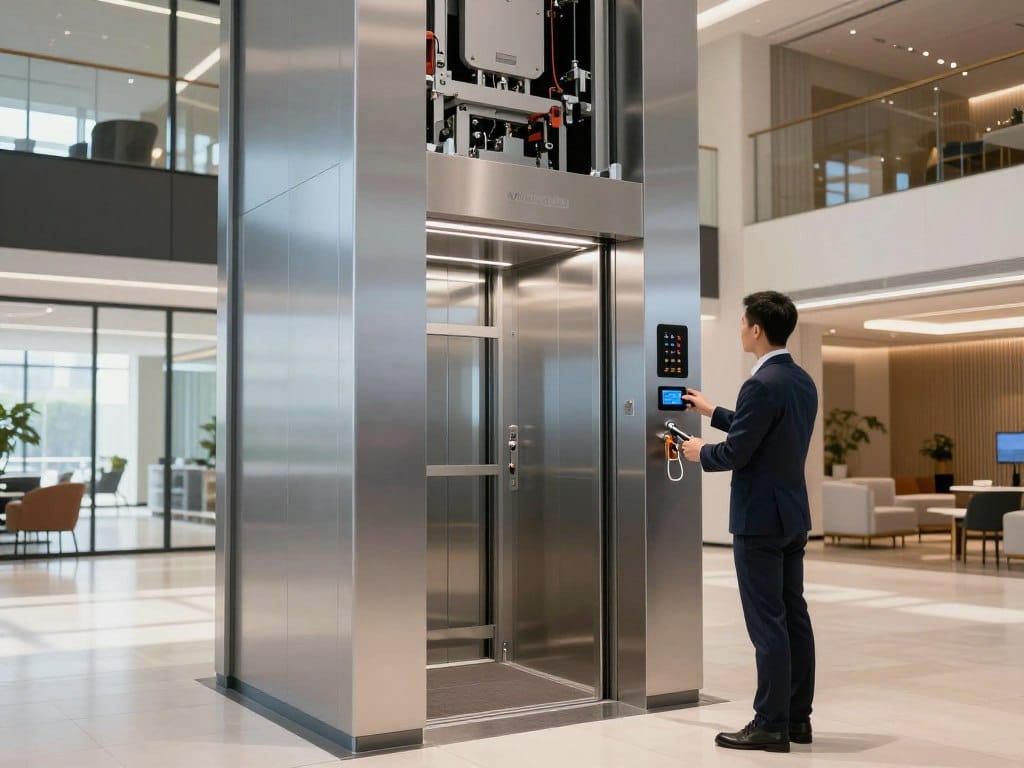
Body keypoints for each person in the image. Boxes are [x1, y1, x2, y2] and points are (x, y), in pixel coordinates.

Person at [681, 291, 818, 754]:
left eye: (742, 321)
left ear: (756, 329)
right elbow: (765, 431)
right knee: (793, 615)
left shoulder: (760, 384)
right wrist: (712, 411)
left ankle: (769, 723)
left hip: (759, 520)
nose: (739, 327)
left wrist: (701, 453)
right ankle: (798, 718)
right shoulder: (799, 380)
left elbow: (740, 451)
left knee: (768, 623)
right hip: (792, 515)